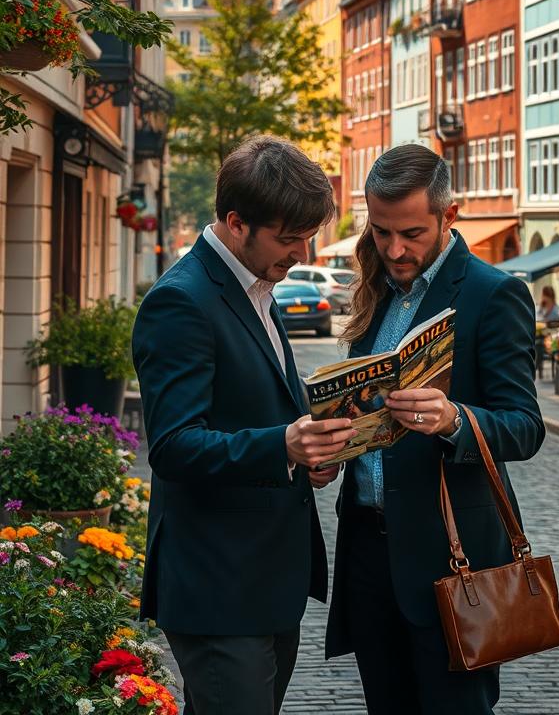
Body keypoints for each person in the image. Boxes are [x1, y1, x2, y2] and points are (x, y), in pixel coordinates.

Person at [132, 136, 357, 715]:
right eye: (288, 238)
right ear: (236, 222)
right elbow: (174, 446)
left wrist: (311, 446)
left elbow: (255, 406)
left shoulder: (256, 284)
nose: (302, 252)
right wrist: (284, 443)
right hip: (218, 584)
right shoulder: (181, 301)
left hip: (264, 579)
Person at [325, 145, 544, 715]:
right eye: (381, 232)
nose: (395, 250)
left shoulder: (493, 295)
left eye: (412, 234)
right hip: (368, 554)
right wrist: (334, 438)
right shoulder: (374, 290)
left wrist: (454, 420)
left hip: (453, 563)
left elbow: (524, 427)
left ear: (449, 216)